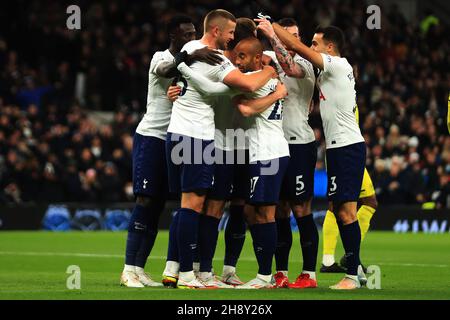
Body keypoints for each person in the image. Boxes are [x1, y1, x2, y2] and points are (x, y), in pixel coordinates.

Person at [164, 9, 277, 289]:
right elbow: (235, 86)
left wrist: (183, 68)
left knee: (202, 204)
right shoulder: (217, 60)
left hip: (210, 138)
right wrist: (271, 76)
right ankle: (192, 271)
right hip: (204, 139)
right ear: (221, 34)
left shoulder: (194, 50)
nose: (232, 40)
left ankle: (191, 270)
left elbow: (199, 83)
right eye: (231, 36)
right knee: (199, 206)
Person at [120, 15, 223, 288]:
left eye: (193, 34)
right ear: (173, 37)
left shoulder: (196, 60)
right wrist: (187, 57)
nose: (191, 39)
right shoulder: (161, 57)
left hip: (176, 139)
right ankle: (129, 268)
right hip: (152, 137)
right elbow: (166, 71)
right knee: (146, 202)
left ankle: (141, 269)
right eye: (186, 35)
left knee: (162, 206)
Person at [264, 19, 367, 289]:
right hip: (335, 147)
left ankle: (353, 274)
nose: (311, 47)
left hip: (346, 145)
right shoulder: (328, 71)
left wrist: (272, 28)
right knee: (339, 208)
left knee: (346, 212)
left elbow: (296, 50)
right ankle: (355, 269)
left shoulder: (337, 63)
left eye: (315, 43)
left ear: (329, 47)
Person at [257, 17, 318, 289]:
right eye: (288, 35)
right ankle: (280, 272)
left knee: (300, 207)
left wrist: (274, 36)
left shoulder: (306, 61)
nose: (293, 41)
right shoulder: (266, 56)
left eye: (295, 36)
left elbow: (289, 67)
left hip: (299, 144)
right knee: (278, 210)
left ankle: (308, 273)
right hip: (272, 144)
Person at [229, 37, 289, 289]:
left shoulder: (259, 84)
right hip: (263, 152)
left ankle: (265, 276)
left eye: (242, 56)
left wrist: (273, 94)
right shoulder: (269, 82)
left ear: (257, 58)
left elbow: (247, 110)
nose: (237, 61)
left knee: (264, 213)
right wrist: (277, 92)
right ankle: (266, 273)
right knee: (252, 211)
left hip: (268, 153)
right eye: (236, 55)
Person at [321, 106, 378, 281]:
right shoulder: (338, 89)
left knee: (369, 202)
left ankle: (350, 257)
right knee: (336, 205)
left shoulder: (348, 90)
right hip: (342, 151)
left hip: (351, 151)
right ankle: (330, 260)